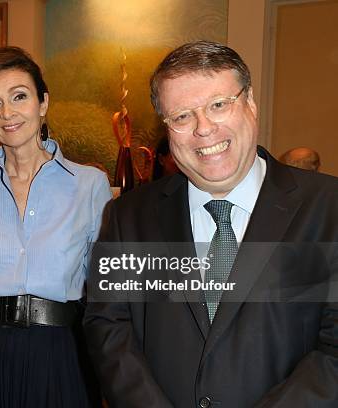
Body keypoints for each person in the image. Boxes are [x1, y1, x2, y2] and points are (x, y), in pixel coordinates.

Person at [84, 41, 338, 407]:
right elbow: (108, 329)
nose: (204, 129)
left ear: (250, 102)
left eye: (219, 105)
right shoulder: (127, 216)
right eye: (182, 116)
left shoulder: (328, 208)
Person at [0, 46, 112, 407]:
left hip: (59, 348)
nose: (7, 113)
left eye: (19, 96)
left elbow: (104, 287)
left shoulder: (90, 184)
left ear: (42, 103)